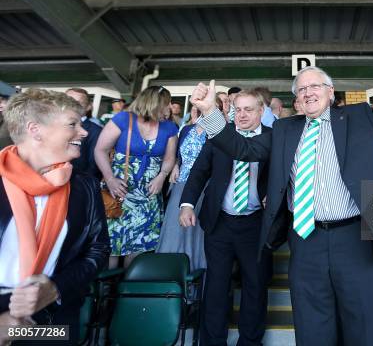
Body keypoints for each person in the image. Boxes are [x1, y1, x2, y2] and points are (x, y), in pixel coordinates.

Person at [190, 45, 373, 345]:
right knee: (312, 328)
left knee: (362, 325)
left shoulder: (361, 117)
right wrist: (209, 112)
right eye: (301, 89)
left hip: (356, 238)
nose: (308, 92)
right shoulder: (284, 130)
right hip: (305, 238)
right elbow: (241, 148)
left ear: (331, 91)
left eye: (315, 86)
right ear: (296, 99)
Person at [0, 89, 109, 344]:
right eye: (73, 124)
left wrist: (56, 288)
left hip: (53, 320)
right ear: (35, 129)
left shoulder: (85, 188)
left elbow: (98, 250)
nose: (83, 132)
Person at [179, 90, 272, 346]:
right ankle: (212, 341)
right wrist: (186, 204)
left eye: (248, 109)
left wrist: (274, 197)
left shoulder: (273, 138)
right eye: (237, 109)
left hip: (256, 224)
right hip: (220, 223)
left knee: (255, 285)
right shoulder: (219, 136)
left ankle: (250, 341)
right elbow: (199, 172)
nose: (241, 115)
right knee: (217, 286)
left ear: (261, 111)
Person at [94, 86, 178, 268]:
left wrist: (162, 176)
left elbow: (170, 158)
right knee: (113, 244)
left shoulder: (169, 127)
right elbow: (100, 150)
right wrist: (110, 179)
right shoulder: (123, 120)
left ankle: (128, 290)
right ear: (154, 104)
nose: (169, 108)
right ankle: (106, 292)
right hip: (120, 191)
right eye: (166, 104)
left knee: (138, 246)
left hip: (148, 194)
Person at [156, 105, 207, 271]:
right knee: (173, 227)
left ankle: (193, 270)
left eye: (199, 109)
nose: (195, 111)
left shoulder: (216, 132)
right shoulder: (187, 129)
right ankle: (167, 272)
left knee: (195, 229)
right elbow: (178, 154)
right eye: (194, 108)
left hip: (202, 185)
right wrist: (176, 166)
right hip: (181, 182)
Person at [65, 88, 103, 181]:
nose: (71, 106)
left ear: (88, 107)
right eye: (67, 101)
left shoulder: (95, 131)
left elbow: (93, 166)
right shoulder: (52, 126)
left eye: (77, 103)